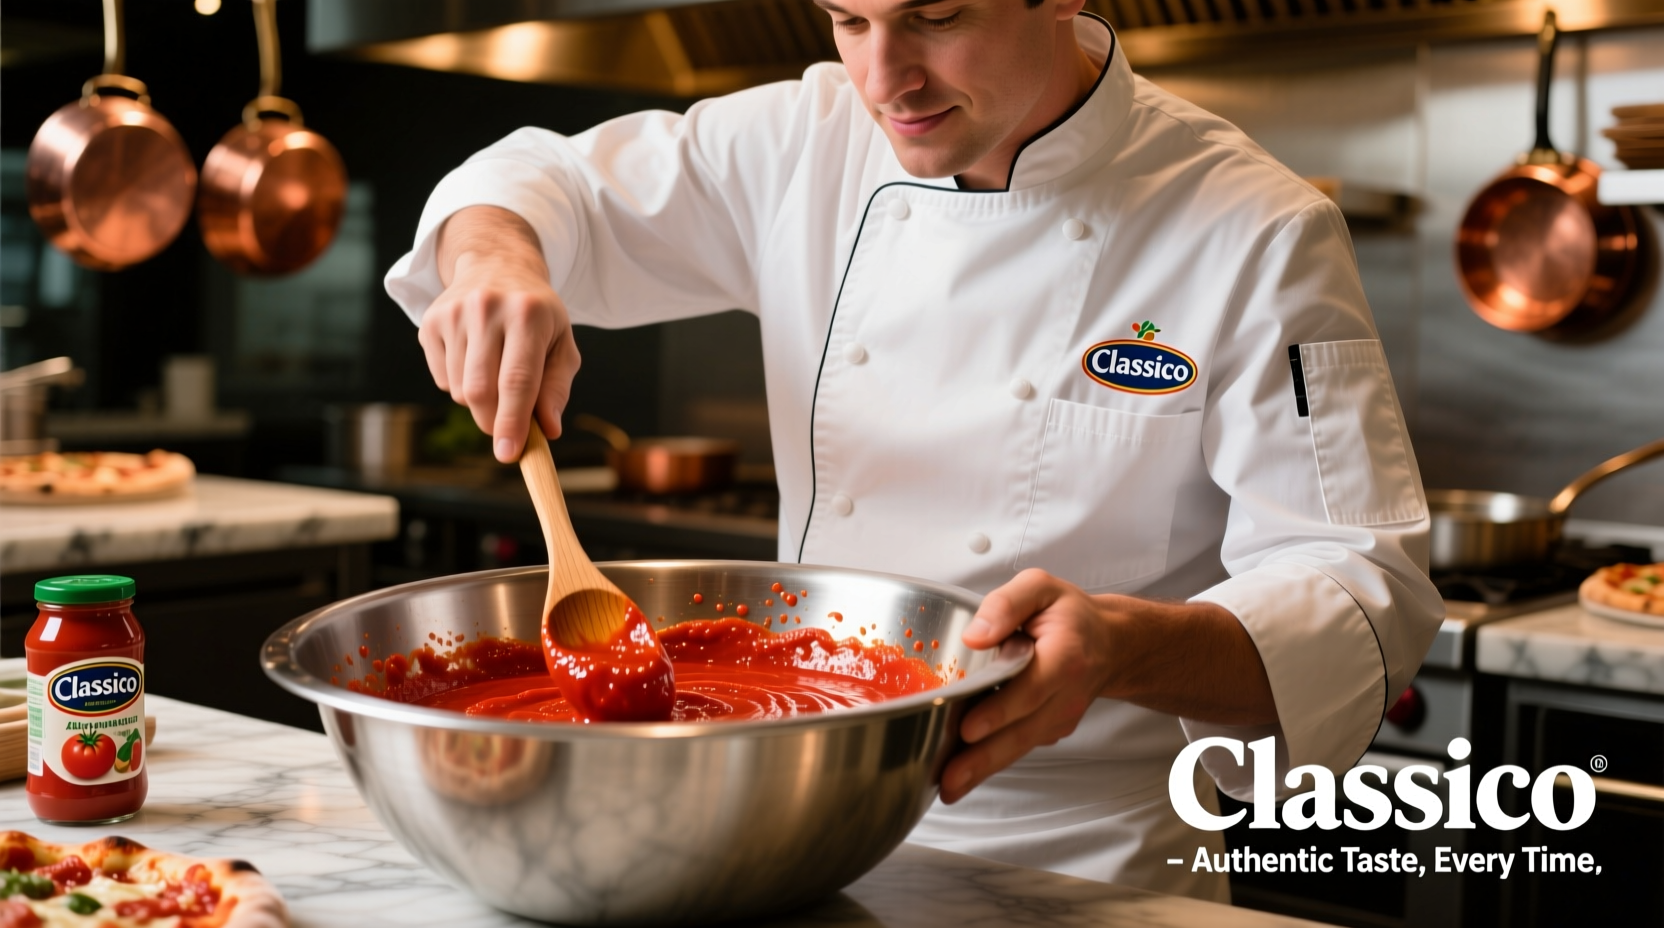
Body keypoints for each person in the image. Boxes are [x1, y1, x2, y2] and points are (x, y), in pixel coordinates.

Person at [385, 0, 1443, 901]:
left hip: (1080, 870)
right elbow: (539, 179)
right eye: (848, 19)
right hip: (795, 836)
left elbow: (1361, 590)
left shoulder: (1254, 228)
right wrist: (495, 262)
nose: (884, 77)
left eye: (935, 16)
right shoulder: (807, 141)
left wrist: (1122, 645)